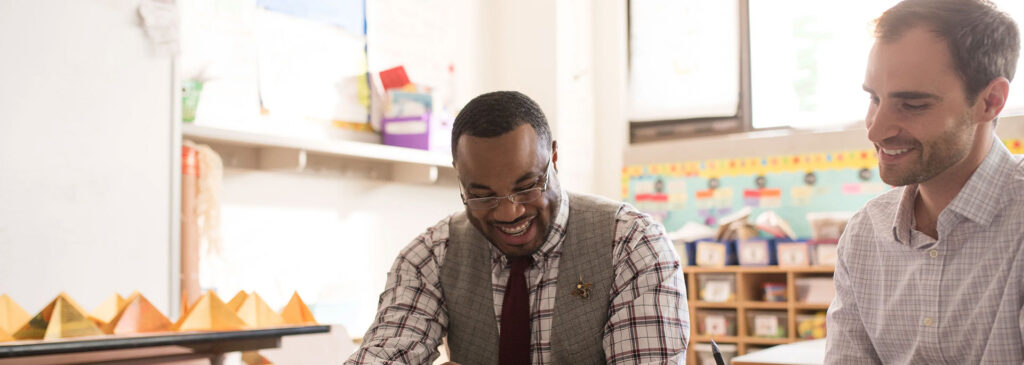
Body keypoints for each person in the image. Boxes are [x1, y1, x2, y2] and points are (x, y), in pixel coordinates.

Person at [346, 91, 689, 364]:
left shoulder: (632, 245)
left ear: (553, 159)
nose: (509, 212)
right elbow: (385, 352)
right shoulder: (431, 256)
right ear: (460, 177)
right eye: (482, 196)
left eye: (527, 187)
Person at [825, 0, 1022, 363]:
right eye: (874, 98)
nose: (876, 129)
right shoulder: (864, 236)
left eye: (913, 104)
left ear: (990, 101)